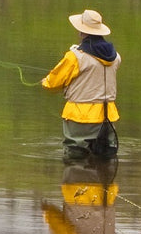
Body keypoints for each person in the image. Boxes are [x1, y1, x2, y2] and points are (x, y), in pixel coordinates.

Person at [41, 9, 120, 159]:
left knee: (75, 157)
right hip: (108, 115)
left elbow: (52, 84)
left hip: (79, 116)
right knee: (106, 157)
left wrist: (45, 81)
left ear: (81, 32)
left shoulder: (74, 57)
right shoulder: (115, 57)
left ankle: (76, 182)